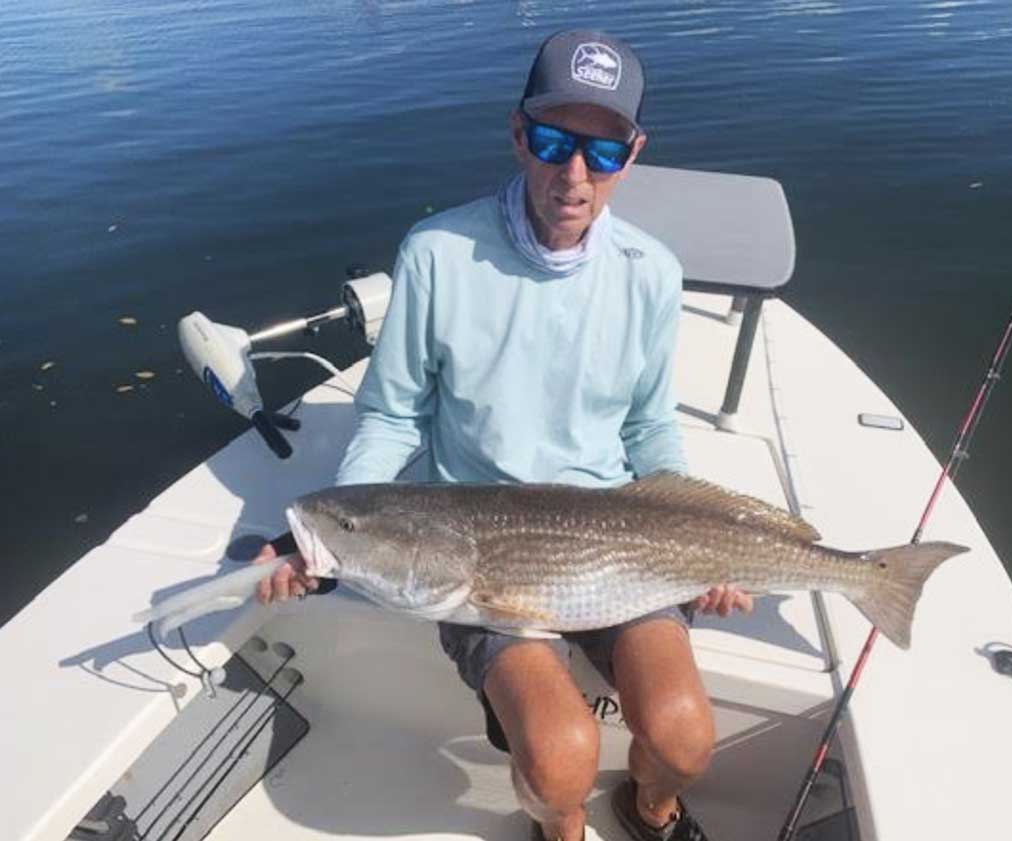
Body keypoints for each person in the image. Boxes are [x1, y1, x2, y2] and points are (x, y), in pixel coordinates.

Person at [254, 29, 751, 841]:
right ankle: (560, 828)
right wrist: (320, 538)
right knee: (561, 756)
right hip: (478, 547)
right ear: (520, 134)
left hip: (619, 539)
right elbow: (390, 414)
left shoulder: (650, 271)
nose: (575, 175)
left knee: (687, 737)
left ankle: (651, 810)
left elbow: (650, 423)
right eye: (554, 142)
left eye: (603, 150)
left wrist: (705, 544)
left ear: (634, 151)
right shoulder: (439, 254)